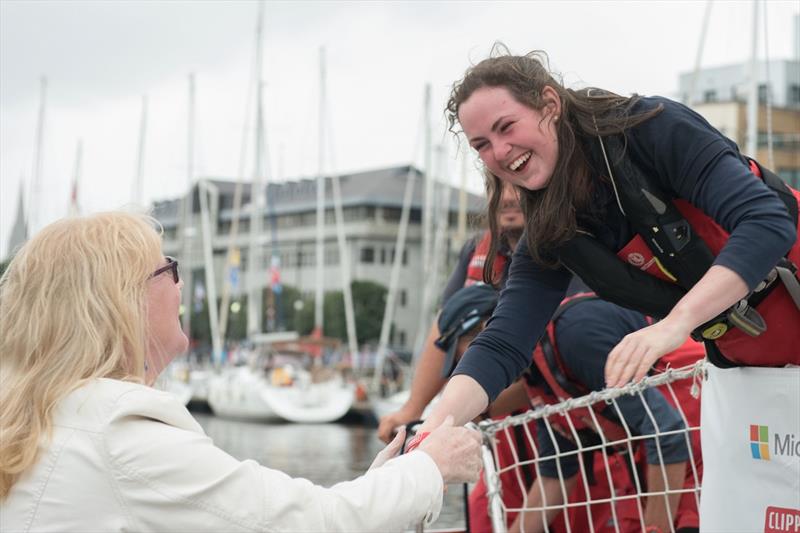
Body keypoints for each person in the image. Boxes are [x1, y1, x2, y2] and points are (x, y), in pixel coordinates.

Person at [0, 211, 483, 532]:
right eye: (168, 269)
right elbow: (311, 524)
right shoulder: (117, 431)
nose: (181, 284)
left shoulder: (44, 414)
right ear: (122, 300)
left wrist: (385, 480)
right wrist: (429, 466)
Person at [413, 47, 798, 440]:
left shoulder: (651, 130)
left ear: (550, 104)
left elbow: (767, 222)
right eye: (481, 144)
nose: (498, 151)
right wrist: (427, 433)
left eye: (506, 126)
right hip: (756, 365)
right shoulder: (553, 233)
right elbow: (502, 344)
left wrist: (676, 323)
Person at [428, 284, 704, 533]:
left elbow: (667, 430)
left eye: (466, 361)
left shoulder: (574, 336)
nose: (471, 372)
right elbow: (556, 477)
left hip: (702, 439)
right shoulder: (541, 376)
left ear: (489, 331)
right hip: (672, 462)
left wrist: (656, 528)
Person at [377, 180, 525, 443]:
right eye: (497, 187)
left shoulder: (565, 253)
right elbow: (445, 325)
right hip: (489, 418)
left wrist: (474, 407)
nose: (507, 198)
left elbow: (564, 349)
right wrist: (413, 409)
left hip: (548, 418)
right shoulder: (475, 249)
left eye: (517, 186)